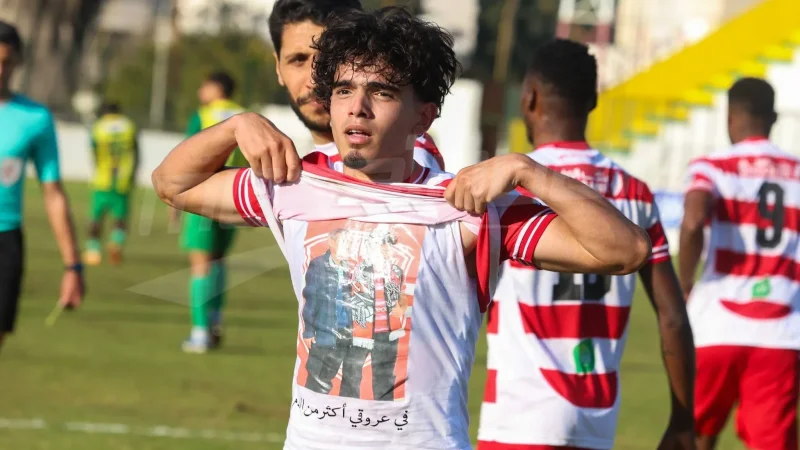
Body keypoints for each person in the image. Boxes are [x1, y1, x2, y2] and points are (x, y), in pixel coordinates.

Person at [152, 8, 651, 449]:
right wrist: (234, 125)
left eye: (382, 92)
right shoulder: (296, 185)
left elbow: (625, 250)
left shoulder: (466, 206)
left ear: (423, 116)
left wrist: (529, 171)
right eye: (344, 90)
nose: (357, 107)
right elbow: (172, 183)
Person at [476, 39, 696, 450]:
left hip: (518, 415)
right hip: (597, 418)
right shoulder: (634, 193)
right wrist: (683, 421)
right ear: (594, 100)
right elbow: (672, 317)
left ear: (529, 98)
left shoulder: (509, 187)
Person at [680, 77, 800, 450]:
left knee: (694, 435)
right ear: (773, 118)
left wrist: (685, 285)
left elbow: (693, 221)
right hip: (781, 331)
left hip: (716, 324)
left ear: (730, 117)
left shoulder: (713, 166)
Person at [268, 0, 446, 171]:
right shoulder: (296, 170)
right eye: (298, 60)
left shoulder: (407, 150)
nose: (315, 80)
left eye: (327, 61)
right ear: (277, 67)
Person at [0, 20, 84, 349]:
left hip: (5, 240)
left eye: (6, 62)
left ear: (19, 61)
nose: (0, 70)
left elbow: (53, 194)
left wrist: (72, 265)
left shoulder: (35, 118)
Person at [179, 71, 249, 354]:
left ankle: (199, 333)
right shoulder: (245, 116)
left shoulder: (202, 115)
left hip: (203, 197)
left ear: (216, 88)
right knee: (219, 261)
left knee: (200, 265)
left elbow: (185, 157)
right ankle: (216, 322)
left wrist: (178, 199)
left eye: (204, 85)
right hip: (233, 198)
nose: (201, 90)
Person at [83, 101, 139, 266]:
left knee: (96, 217)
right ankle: (116, 243)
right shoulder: (129, 126)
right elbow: (136, 152)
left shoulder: (99, 127)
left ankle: (93, 250)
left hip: (103, 178)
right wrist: (133, 174)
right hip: (122, 178)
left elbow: (93, 150)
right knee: (120, 217)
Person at [301, 228, 356, 394]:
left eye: (349, 243)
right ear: (331, 242)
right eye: (343, 242)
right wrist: (309, 331)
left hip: (344, 332)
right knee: (316, 378)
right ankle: (313, 406)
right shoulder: (318, 265)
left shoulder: (350, 268)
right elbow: (311, 298)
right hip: (324, 332)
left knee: (330, 376)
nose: (347, 247)